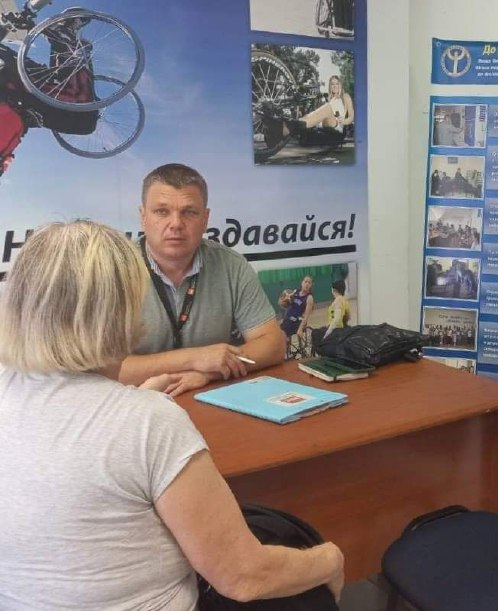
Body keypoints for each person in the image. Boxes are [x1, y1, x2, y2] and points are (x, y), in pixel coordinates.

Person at [0, 221, 345, 610]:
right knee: (298, 564)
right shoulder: (149, 421)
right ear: (120, 313)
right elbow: (243, 576)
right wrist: (330, 560)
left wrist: (131, 405)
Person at [118, 163, 285, 395]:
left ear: (205, 219)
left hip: (206, 398)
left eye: (189, 212)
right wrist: (196, 358)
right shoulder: (113, 271)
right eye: (162, 212)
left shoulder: (231, 265)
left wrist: (209, 373)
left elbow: (273, 345)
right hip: (133, 404)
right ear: (143, 217)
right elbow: (105, 368)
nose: (176, 224)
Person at [0, 15, 98, 177]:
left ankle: (63, 37)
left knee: (80, 101)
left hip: (11, 92)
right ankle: (64, 42)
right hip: (24, 113)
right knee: (85, 124)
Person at [280, 275, 315, 339]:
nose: (307, 284)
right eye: (305, 281)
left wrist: (300, 328)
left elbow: (306, 316)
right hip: (288, 319)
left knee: (282, 335)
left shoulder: (309, 298)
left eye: (309, 283)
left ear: (311, 285)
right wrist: (284, 300)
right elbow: (285, 305)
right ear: (302, 283)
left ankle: (285, 341)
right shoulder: (295, 291)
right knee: (277, 332)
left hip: (297, 322)